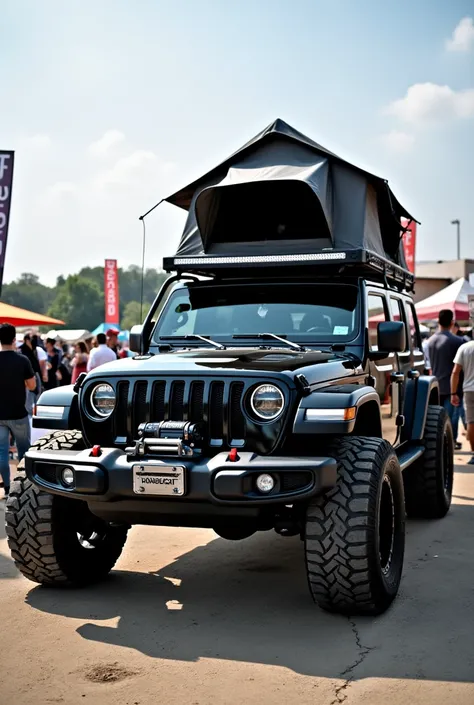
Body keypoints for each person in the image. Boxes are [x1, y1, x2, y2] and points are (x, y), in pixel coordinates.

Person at [0, 323, 36, 497]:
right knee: (24, 451)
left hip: (0, 414)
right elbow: (32, 385)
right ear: (14, 339)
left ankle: (7, 488)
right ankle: (23, 488)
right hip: (18, 413)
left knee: (2, 452)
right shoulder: (22, 360)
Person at [427, 309, 464, 449]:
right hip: (451, 387)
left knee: (437, 419)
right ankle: (450, 442)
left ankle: (441, 443)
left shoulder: (430, 341)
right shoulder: (456, 341)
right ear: (452, 322)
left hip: (436, 386)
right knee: (451, 417)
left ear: (438, 321)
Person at [451, 337, 474, 464]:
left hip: (469, 389)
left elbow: (455, 372)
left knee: (471, 422)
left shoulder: (465, 348)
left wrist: (453, 392)